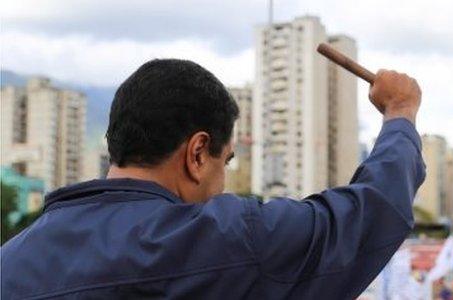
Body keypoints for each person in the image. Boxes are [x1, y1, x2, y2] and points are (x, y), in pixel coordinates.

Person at [0, 59, 425, 298]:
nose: (223, 183)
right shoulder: (222, 239)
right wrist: (400, 113)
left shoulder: (12, 260)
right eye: (228, 160)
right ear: (198, 153)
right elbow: (370, 212)